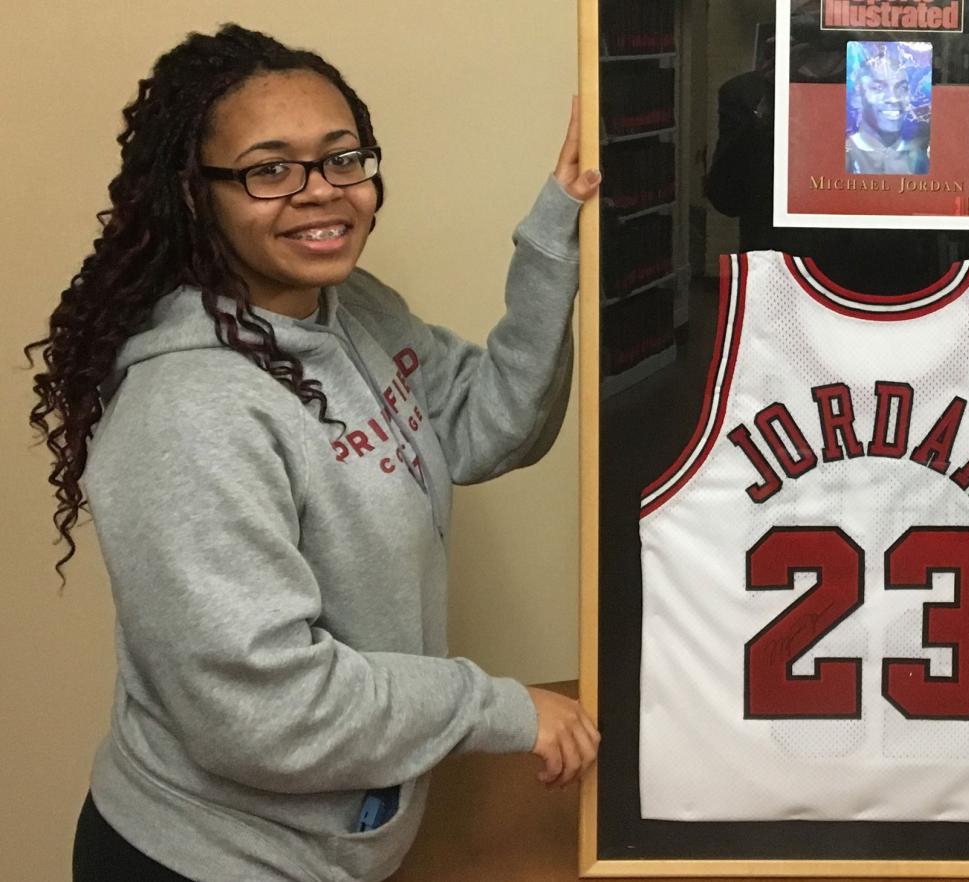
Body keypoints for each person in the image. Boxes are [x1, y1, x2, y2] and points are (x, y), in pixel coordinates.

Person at [24, 25, 601, 882]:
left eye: (342, 159)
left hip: (338, 845)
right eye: (269, 169)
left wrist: (557, 226)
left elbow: (488, 424)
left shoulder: (352, 310)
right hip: (210, 861)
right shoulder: (188, 413)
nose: (321, 193)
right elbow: (267, 707)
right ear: (195, 193)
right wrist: (496, 707)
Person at [843, 44, 930, 175]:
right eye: (878, 88)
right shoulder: (842, 156)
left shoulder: (922, 158)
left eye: (902, 88)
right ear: (857, 96)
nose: (894, 99)